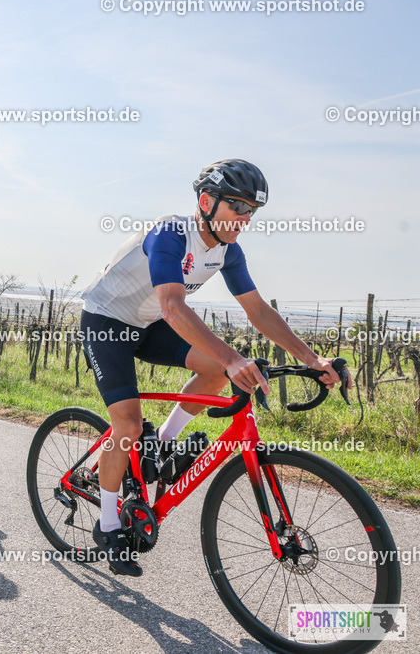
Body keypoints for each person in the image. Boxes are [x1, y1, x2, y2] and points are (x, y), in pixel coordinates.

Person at [78, 159, 346, 577]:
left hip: (146, 325)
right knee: (127, 426)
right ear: (207, 201)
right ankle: (108, 523)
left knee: (217, 370)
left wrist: (312, 359)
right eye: (237, 207)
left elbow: (257, 310)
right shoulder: (170, 234)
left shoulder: (228, 252)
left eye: (251, 211)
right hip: (107, 323)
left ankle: (164, 441)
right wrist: (233, 357)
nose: (245, 219)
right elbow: (171, 305)